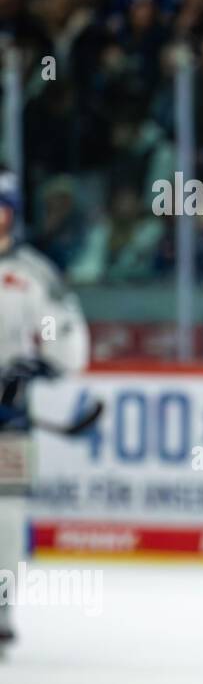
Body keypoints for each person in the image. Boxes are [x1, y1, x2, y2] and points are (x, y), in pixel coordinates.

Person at [0, 169, 90, 654]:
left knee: (7, 515)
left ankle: (1, 610)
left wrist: (40, 363)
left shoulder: (32, 273)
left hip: (8, 419)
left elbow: (64, 336)